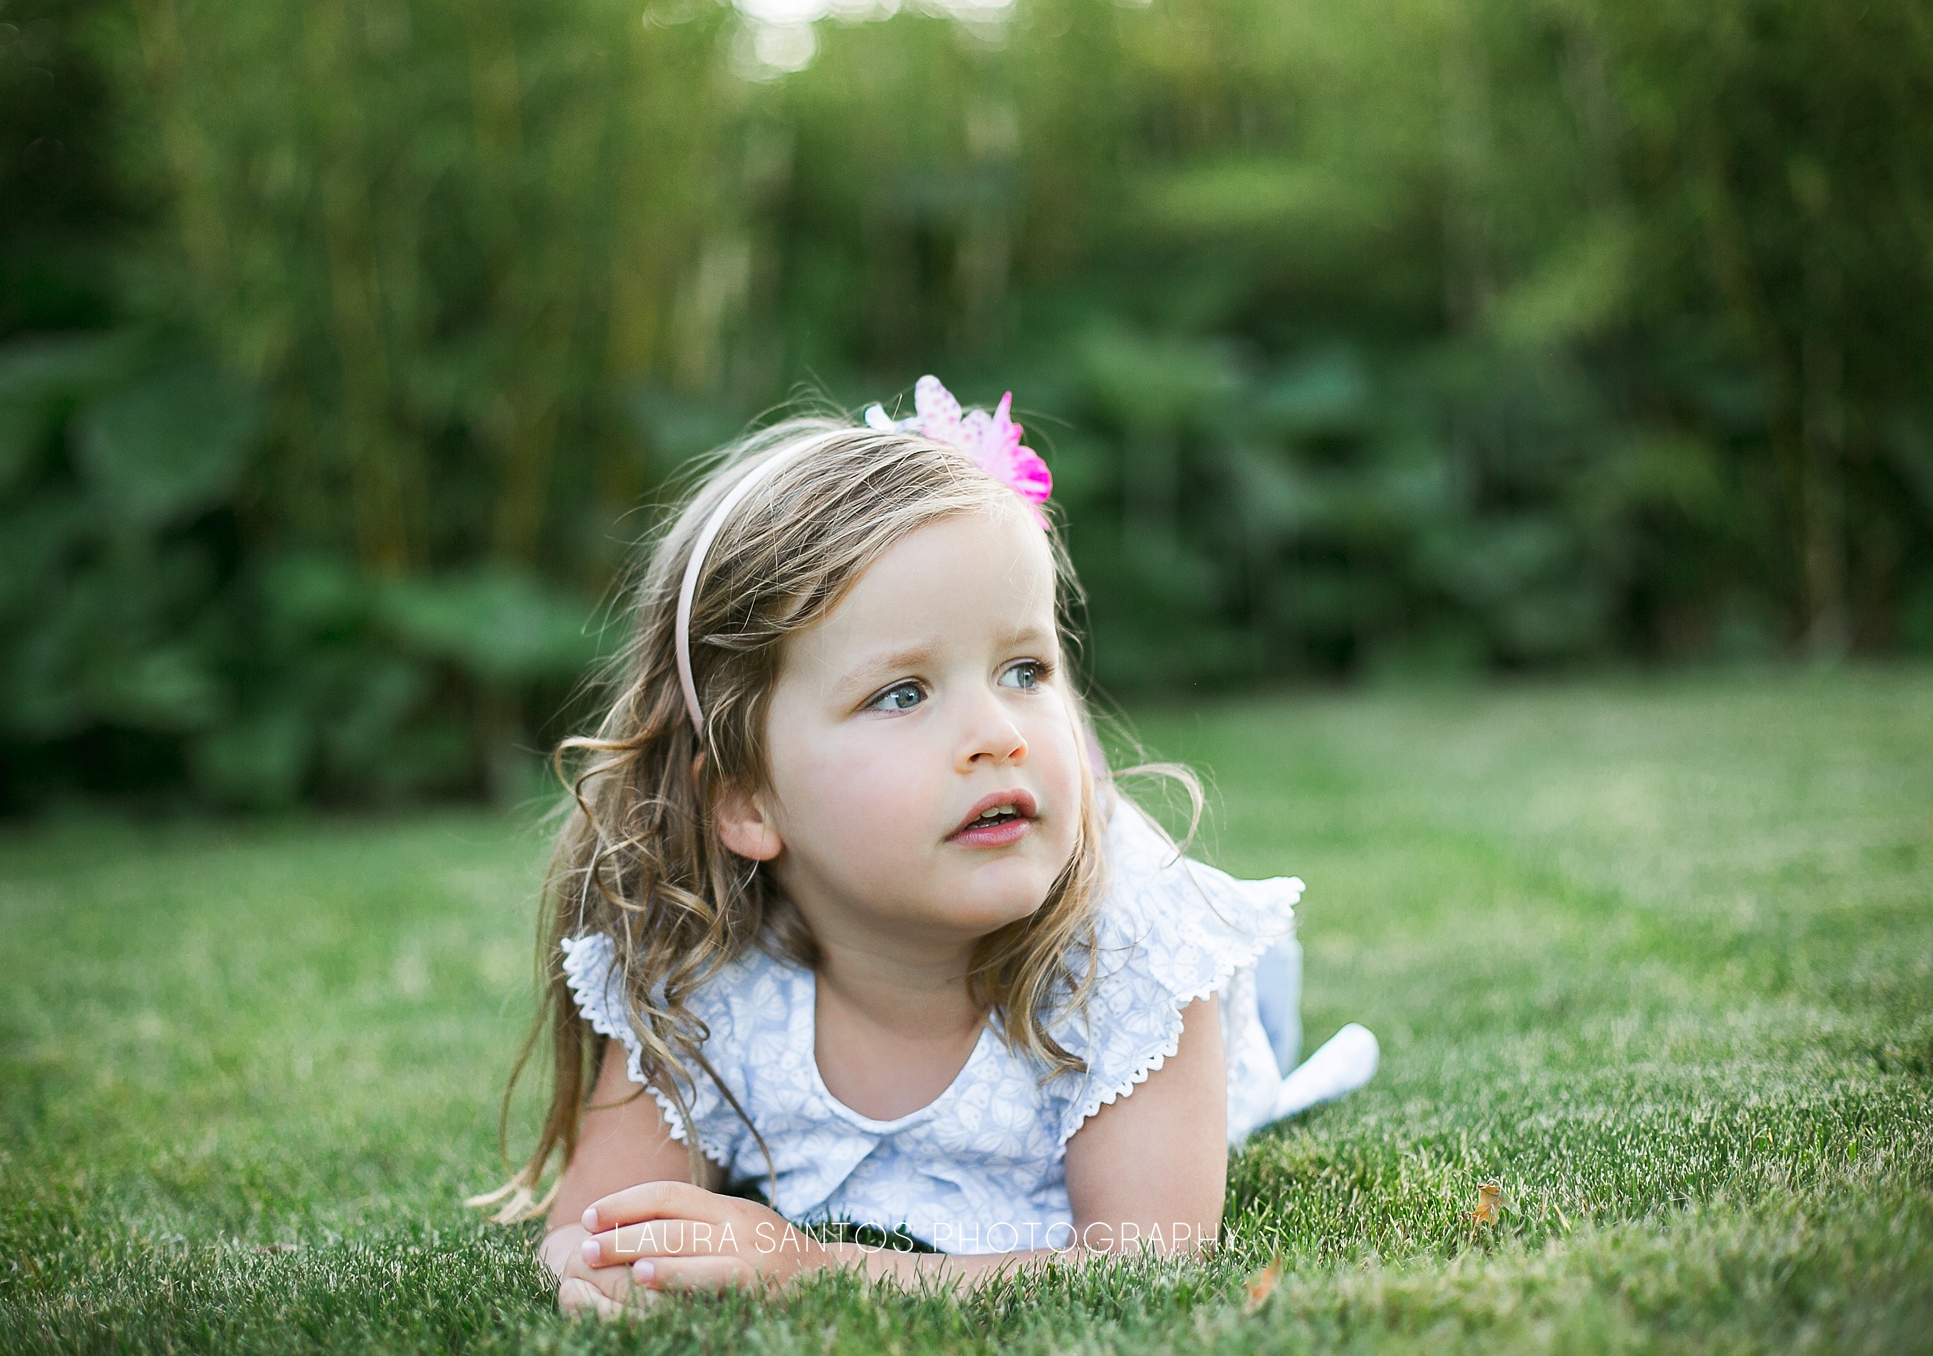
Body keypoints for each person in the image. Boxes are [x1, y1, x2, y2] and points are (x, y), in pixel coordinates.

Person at [471, 377, 1378, 1316]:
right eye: (903, 693)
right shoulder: (703, 980)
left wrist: (807, 1267)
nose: (999, 730)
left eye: (1026, 670)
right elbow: (587, 1228)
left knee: (1251, 995)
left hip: (1190, 1001)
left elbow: (1141, 1268)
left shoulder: (1138, 964)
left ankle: (1179, 900)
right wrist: (608, 1269)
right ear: (744, 800)